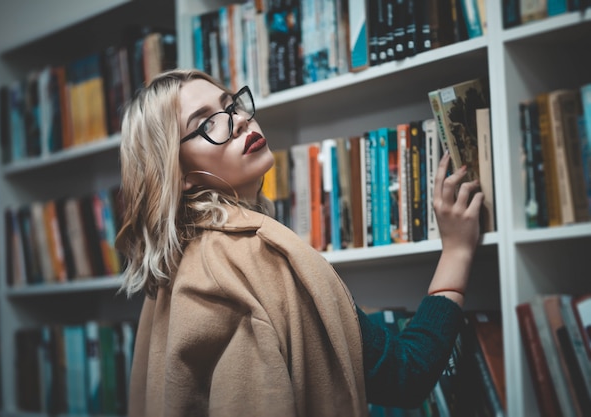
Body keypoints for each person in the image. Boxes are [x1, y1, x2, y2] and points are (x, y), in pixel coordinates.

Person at [115, 69, 484, 417]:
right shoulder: (259, 255)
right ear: (179, 174)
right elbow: (404, 375)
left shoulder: (171, 267)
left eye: (231, 104)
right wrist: (457, 250)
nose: (239, 119)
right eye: (207, 123)